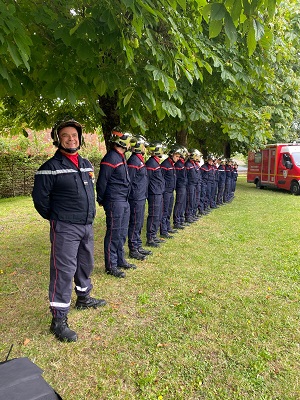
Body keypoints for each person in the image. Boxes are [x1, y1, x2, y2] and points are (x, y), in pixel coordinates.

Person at [32, 118, 106, 343]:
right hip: (65, 227)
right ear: (58, 140)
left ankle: (84, 298)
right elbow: (40, 200)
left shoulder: (86, 164)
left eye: (74, 135)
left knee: (86, 263)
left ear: (80, 139)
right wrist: (57, 218)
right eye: (65, 135)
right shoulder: (49, 169)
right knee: (63, 270)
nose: (71, 139)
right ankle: (59, 319)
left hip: (86, 225)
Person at [96, 127, 136, 279]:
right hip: (114, 200)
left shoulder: (121, 157)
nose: (131, 144)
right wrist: (101, 199)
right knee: (113, 233)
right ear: (123, 141)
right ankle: (111, 265)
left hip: (123, 200)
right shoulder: (111, 158)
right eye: (129, 141)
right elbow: (102, 181)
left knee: (121, 232)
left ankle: (120, 260)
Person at [127, 135, 152, 260]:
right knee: (135, 222)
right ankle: (133, 249)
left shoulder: (140, 160)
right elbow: (129, 181)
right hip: (135, 197)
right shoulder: (133, 161)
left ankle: (138, 245)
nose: (145, 148)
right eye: (143, 146)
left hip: (141, 196)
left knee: (139, 222)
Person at [145, 142, 165, 247]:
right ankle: (150, 238)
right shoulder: (151, 163)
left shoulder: (156, 162)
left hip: (158, 192)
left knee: (158, 215)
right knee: (153, 215)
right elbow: (147, 179)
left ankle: (154, 235)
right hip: (153, 193)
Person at [160, 145, 182, 238]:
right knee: (164, 211)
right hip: (166, 191)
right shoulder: (165, 164)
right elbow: (161, 178)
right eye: (176, 156)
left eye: (179, 156)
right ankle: (163, 230)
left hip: (171, 190)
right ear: (171, 155)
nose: (178, 158)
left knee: (169, 210)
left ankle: (168, 227)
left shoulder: (172, 164)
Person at [173, 146, 188, 229]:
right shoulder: (179, 164)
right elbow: (178, 176)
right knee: (179, 203)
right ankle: (177, 221)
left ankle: (180, 219)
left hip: (183, 185)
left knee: (182, 203)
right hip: (180, 186)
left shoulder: (182, 163)